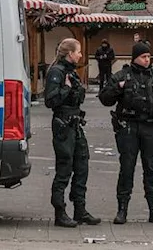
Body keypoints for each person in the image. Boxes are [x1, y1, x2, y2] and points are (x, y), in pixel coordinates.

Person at [99, 41, 153, 225]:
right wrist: (119, 87)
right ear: (135, 58)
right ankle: (122, 210)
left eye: (149, 56)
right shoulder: (122, 75)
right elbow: (105, 98)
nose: (147, 60)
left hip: (151, 126)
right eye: (144, 57)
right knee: (127, 168)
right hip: (129, 127)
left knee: (151, 168)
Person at [43, 38, 100, 228]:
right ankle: (60, 213)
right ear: (70, 53)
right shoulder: (56, 72)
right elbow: (51, 100)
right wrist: (66, 88)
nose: (81, 55)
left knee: (82, 166)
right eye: (79, 51)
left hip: (75, 125)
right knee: (64, 169)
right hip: (63, 125)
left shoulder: (71, 72)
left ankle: (80, 210)